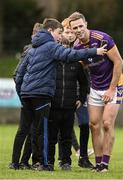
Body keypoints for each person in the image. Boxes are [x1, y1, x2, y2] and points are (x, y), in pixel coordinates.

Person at [14, 17, 107, 171]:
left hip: (34, 96)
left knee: (31, 130)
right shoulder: (51, 47)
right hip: (45, 97)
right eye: (59, 32)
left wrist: (21, 94)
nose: (61, 36)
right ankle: (45, 163)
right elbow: (71, 55)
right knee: (43, 131)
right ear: (51, 31)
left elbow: (19, 74)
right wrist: (95, 51)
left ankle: (21, 162)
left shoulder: (33, 48)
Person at [69, 12, 123, 172]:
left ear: (86, 24)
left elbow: (119, 62)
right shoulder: (77, 47)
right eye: (75, 28)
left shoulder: (102, 38)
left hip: (114, 85)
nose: (78, 29)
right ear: (72, 30)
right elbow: (83, 67)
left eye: (80, 26)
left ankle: (105, 164)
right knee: (94, 125)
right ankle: (98, 164)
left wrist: (111, 89)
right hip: (96, 87)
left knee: (107, 123)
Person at [48, 18, 93, 171]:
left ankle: (73, 160)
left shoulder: (78, 59)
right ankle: (53, 161)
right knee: (55, 133)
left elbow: (85, 81)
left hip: (73, 101)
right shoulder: (53, 58)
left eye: (70, 32)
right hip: (56, 102)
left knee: (74, 130)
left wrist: (81, 98)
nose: (69, 35)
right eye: (65, 32)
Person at [9, 23, 43, 170]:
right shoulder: (30, 50)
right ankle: (17, 162)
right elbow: (17, 74)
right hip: (30, 95)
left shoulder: (36, 49)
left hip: (31, 94)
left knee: (30, 130)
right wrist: (22, 95)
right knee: (26, 130)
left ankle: (22, 161)